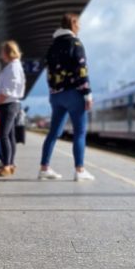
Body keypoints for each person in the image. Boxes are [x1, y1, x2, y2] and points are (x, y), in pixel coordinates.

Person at [39, 12, 94, 181]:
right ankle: (79, 170)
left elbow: (49, 73)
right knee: (80, 132)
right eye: (78, 24)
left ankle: (44, 168)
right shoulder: (76, 43)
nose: (80, 27)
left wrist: (53, 91)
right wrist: (87, 94)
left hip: (56, 95)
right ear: (73, 24)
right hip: (73, 94)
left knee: (53, 132)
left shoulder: (52, 46)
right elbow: (81, 70)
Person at [0, 40, 26, 177]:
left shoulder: (13, 68)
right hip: (11, 104)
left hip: (8, 104)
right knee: (10, 135)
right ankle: (10, 164)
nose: (1, 55)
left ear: (7, 52)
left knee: (3, 135)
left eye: (2, 52)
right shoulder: (14, 66)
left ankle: (6, 165)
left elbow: (7, 91)